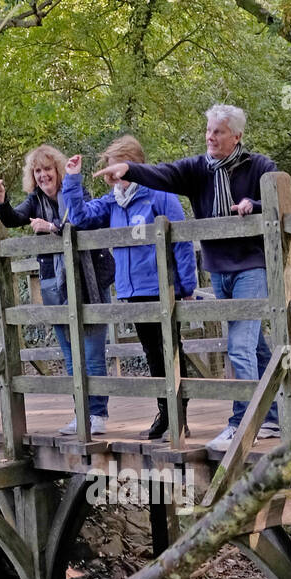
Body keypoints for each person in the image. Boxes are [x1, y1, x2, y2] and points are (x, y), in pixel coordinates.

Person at [93, 104, 281, 451]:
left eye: (218, 132)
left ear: (236, 136)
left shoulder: (259, 166)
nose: (210, 137)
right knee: (255, 345)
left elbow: (279, 199)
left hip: (252, 265)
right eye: (208, 131)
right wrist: (129, 169)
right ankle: (274, 416)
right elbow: (164, 174)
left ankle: (243, 423)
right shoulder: (198, 169)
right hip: (219, 269)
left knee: (239, 347)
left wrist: (252, 206)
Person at [61, 136, 197, 440]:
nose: (109, 173)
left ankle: (179, 412)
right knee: (151, 352)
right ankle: (165, 410)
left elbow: (183, 240)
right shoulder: (114, 201)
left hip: (161, 287)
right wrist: (72, 178)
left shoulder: (159, 195)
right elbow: (81, 217)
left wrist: (187, 284)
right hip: (131, 289)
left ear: (129, 164)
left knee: (169, 350)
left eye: (113, 166)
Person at [0, 145, 114, 435]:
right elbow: (14, 219)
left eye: (47, 170)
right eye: (37, 171)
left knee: (91, 352)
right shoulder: (36, 200)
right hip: (55, 285)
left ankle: (98, 414)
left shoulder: (76, 193)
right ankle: (81, 413)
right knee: (69, 354)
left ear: (58, 170)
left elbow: (84, 221)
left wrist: (53, 227)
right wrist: (1, 199)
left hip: (89, 282)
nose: (43, 176)